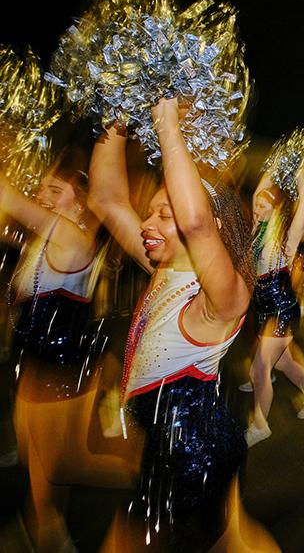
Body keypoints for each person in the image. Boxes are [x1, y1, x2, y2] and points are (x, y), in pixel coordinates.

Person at [88, 98, 274, 552]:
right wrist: (116, 112)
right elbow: (106, 199)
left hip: (191, 459)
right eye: (150, 213)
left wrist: (167, 121)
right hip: (174, 447)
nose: (148, 223)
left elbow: (196, 224)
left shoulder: (221, 297)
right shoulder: (163, 268)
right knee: (230, 540)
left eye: (163, 215)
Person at [2, 146, 135, 552]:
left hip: (63, 368)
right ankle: (47, 526)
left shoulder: (74, 238)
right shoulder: (45, 237)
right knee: (36, 455)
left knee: (63, 462)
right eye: (42, 187)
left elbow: (11, 201)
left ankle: (144, 471)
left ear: (79, 203)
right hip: (37, 361)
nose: (42, 195)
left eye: (54, 190)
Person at [243, 172, 304, 448]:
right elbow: (258, 193)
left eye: (264, 205)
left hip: (281, 305)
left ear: (275, 209)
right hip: (263, 305)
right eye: (257, 205)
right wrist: (272, 167)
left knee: (260, 369)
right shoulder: (256, 231)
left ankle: (259, 425)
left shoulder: (284, 238)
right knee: (284, 362)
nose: (258, 208)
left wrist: (303, 182)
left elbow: (303, 206)